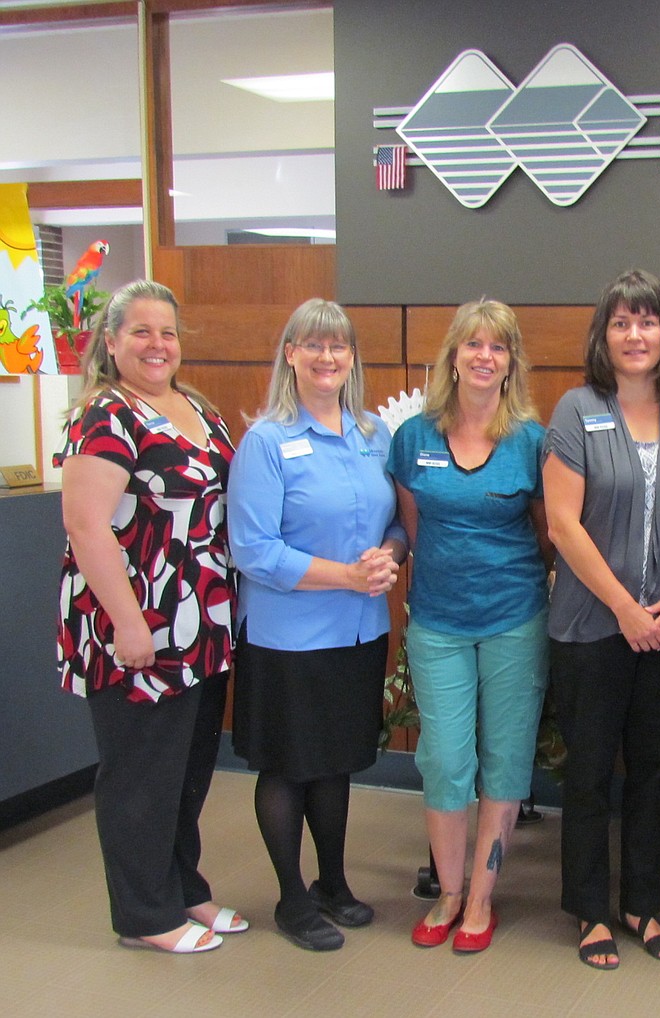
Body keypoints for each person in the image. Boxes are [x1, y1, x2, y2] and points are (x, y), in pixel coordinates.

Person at [55, 279, 245, 954]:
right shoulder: (106, 416)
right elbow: (85, 524)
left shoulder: (195, 407)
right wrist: (131, 623)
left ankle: (184, 888)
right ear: (111, 342)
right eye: (141, 332)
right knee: (140, 773)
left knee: (187, 767)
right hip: (135, 626)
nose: (157, 345)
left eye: (167, 332)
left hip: (201, 624)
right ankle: (144, 914)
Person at [543, 269, 660, 970]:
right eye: (621, 322)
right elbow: (562, 523)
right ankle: (589, 909)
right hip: (593, 628)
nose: (635, 335)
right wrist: (624, 607)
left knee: (653, 770)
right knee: (589, 771)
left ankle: (641, 904)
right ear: (604, 334)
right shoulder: (576, 408)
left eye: (647, 321)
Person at [228, 298, 407, 952]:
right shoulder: (266, 441)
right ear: (291, 355)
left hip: (357, 634)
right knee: (287, 768)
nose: (327, 357)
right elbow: (253, 551)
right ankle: (291, 897)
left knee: (335, 765)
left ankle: (333, 883)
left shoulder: (372, 435)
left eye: (338, 346)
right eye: (313, 345)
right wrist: (347, 576)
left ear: (352, 357)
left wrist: (389, 555)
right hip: (288, 640)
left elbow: (394, 522)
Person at [388, 299, 551, 954]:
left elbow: (546, 540)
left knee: (505, 762)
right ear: (452, 355)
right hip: (437, 622)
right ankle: (449, 891)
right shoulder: (415, 439)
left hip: (515, 620)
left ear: (511, 363)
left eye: (499, 347)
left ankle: (482, 897)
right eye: (474, 344)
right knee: (446, 760)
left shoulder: (532, 442)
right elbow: (411, 528)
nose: (485, 356)